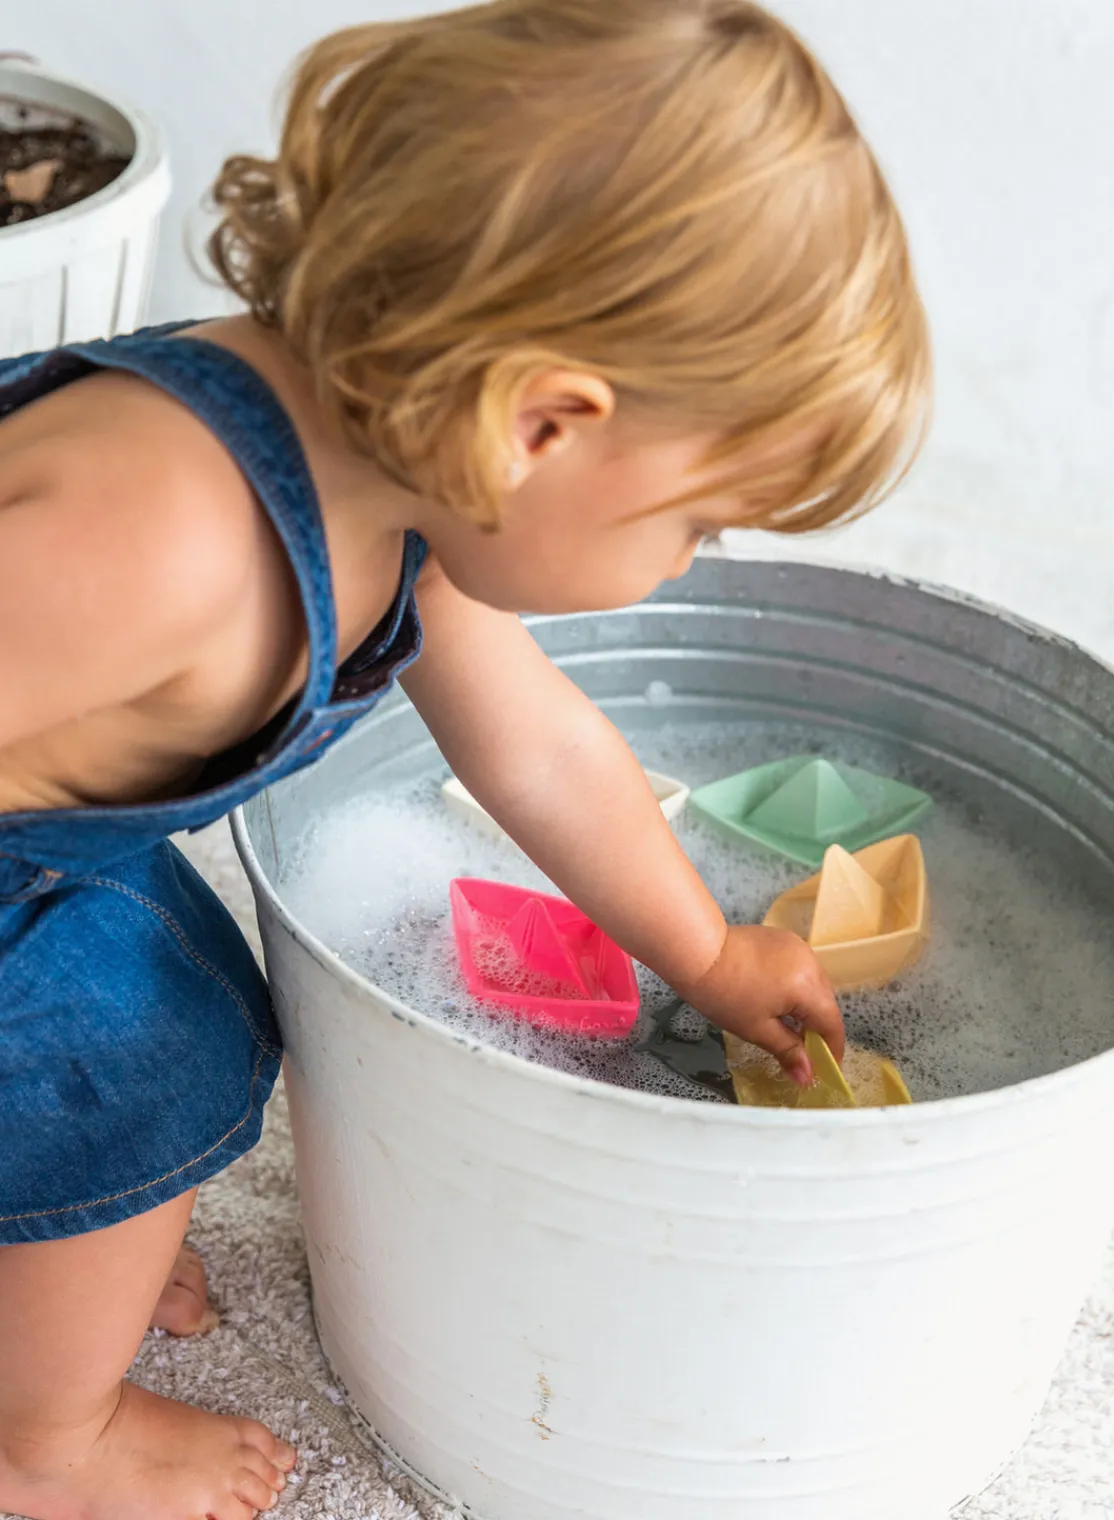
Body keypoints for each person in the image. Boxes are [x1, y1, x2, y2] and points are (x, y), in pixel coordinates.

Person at [0, 1, 929, 1516]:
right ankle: (41, 1446)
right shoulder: (160, 535)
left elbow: (544, 754)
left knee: (175, 995)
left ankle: (49, 1259)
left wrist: (704, 950)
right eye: (695, 525)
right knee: (141, 1061)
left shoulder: (402, 502)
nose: (688, 566)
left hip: (46, 847)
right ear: (542, 427)